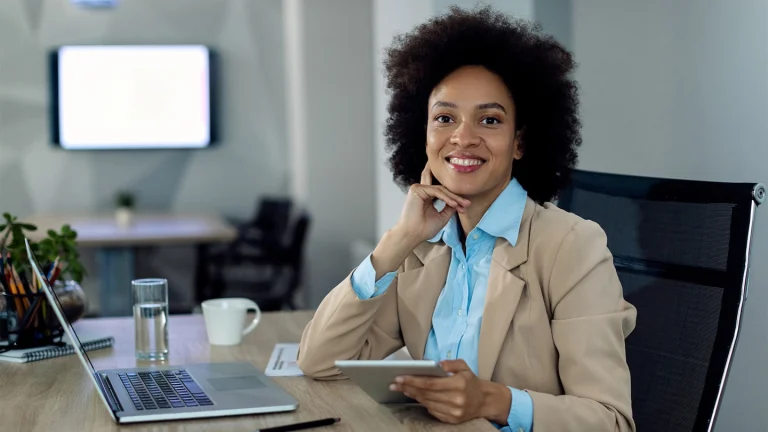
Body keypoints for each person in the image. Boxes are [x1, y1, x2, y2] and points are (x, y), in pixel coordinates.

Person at [297, 6, 636, 432]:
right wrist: (398, 241)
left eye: (489, 120)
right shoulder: (420, 246)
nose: (463, 137)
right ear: (422, 133)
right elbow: (318, 361)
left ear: (520, 142)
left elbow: (610, 421)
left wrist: (495, 401)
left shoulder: (572, 246)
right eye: (444, 118)